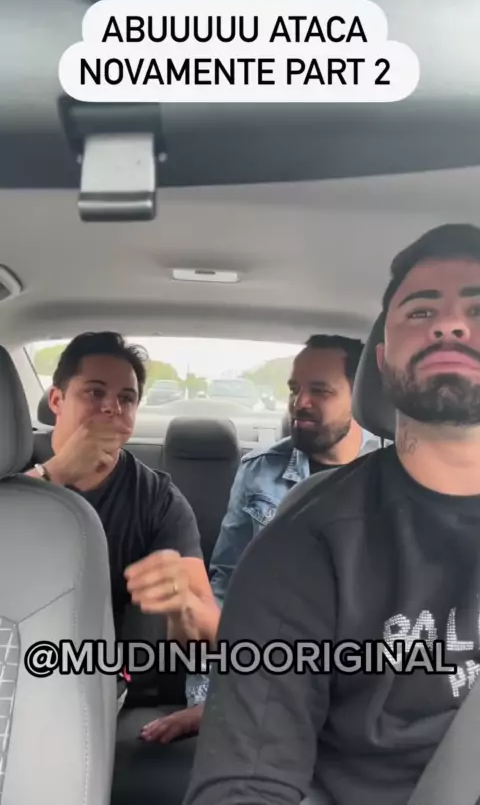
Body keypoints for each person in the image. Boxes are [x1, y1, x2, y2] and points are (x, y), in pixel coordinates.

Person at [182, 223, 480, 805]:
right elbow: (248, 775)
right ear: (384, 361)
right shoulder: (303, 539)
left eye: (477, 308)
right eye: (421, 311)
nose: (450, 324)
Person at [141, 334, 380, 743]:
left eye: (320, 390)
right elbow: (225, 588)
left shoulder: (393, 473)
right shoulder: (259, 471)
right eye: (294, 389)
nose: (300, 402)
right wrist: (208, 698)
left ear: (359, 398)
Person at [25, 332, 219, 652]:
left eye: (127, 398)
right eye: (95, 392)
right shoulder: (12, 463)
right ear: (57, 400)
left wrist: (183, 606)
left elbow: (209, 633)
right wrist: (55, 473)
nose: (112, 408)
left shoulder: (159, 500)